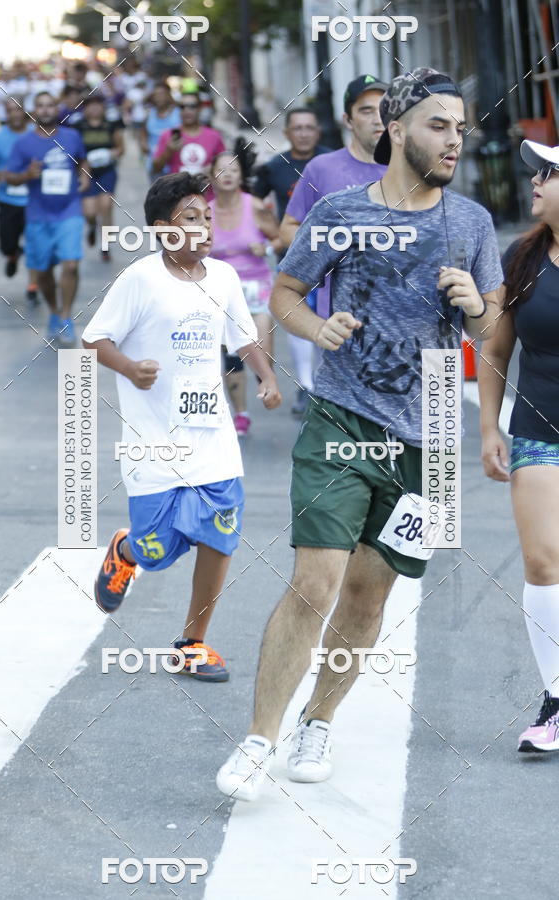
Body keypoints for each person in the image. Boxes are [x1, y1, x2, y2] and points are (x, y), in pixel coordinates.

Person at [217, 67, 504, 801]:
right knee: (314, 584)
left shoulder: (469, 223)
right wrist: (320, 325)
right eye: (438, 125)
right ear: (397, 129)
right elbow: (284, 292)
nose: (453, 140)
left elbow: (494, 329)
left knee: (369, 599)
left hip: (431, 435)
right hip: (343, 417)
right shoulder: (340, 211)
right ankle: (257, 741)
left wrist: (476, 307)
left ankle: (320, 720)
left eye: (460, 128)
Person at [81, 172, 281, 682]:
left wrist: (266, 376)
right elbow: (94, 339)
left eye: (207, 217)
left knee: (219, 537)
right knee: (157, 549)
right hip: (152, 441)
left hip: (212, 437)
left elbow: (243, 338)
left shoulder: (224, 279)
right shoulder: (140, 279)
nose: (204, 227)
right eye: (191, 219)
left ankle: (193, 642)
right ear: (164, 230)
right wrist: (129, 368)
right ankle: (126, 550)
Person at [479, 139, 559, 753]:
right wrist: (488, 427)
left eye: (549, 173)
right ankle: (557, 698)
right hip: (541, 433)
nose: (534, 181)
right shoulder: (524, 258)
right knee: (543, 562)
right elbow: (497, 350)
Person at [281, 75, 388, 321]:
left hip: (400, 311)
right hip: (338, 317)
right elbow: (289, 226)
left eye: (384, 110)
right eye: (366, 111)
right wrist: (326, 252)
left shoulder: (410, 169)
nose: (377, 119)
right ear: (347, 120)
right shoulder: (321, 168)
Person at [253, 108, 330, 415]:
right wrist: (275, 235)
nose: (303, 133)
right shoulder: (275, 166)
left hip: (333, 259)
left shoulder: (331, 163)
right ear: (286, 133)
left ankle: (328, 386)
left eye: (309, 127)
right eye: (297, 128)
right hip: (294, 257)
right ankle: (307, 386)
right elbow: (255, 203)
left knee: (329, 320)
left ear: (318, 132)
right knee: (299, 321)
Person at [209, 144, 281, 437]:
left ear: (241, 176)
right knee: (231, 355)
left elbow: (279, 238)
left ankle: (267, 382)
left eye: (234, 170)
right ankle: (240, 413)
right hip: (222, 290)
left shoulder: (254, 205)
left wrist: (265, 247)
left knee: (262, 350)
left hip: (257, 287)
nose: (227, 175)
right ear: (212, 176)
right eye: (221, 170)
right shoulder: (204, 211)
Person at [5, 91, 88, 343]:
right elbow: (10, 176)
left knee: (71, 264)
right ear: (34, 111)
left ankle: (66, 316)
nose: (45, 109)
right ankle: (53, 311)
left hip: (69, 209)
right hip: (38, 214)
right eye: (40, 105)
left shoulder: (72, 137)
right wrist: (26, 175)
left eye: (50, 105)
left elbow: (82, 161)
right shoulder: (23, 144)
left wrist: (84, 177)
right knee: (42, 272)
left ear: (57, 109)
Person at [0, 98, 39, 302]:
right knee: (6, 244)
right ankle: (13, 253)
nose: (14, 114)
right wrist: (1, 176)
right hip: (7, 200)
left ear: (24, 111)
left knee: (35, 244)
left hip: (35, 200)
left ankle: (33, 285)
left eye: (17, 110)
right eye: (9, 111)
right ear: (5, 114)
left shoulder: (37, 133)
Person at [74, 95, 125, 261]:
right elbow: (73, 152)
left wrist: (111, 153)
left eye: (98, 105)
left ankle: (106, 244)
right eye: (91, 105)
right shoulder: (78, 127)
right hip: (85, 172)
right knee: (89, 211)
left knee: (106, 205)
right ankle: (91, 226)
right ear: (85, 108)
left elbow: (121, 148)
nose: (95, 109)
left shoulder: (110, 126)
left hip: (107, 171)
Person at [153, 92, 225, 176]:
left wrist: (214, 168)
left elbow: (225, 166)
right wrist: (168, 151)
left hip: (206, 188)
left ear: (200, 108)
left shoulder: (214, 136)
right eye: (182, 107)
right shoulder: (167, 135)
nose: (186, 110)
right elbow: (156, 168)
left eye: (192, 106)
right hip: (177, 188)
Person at [141, 82, 180, 178]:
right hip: (154, 164)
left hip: (173, 165)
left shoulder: (178, 114)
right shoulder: (150, 113)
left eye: (162, 94)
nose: (159, 98)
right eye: (156, 95)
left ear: (168, 96)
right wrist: (144, 145)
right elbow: (143, 133)